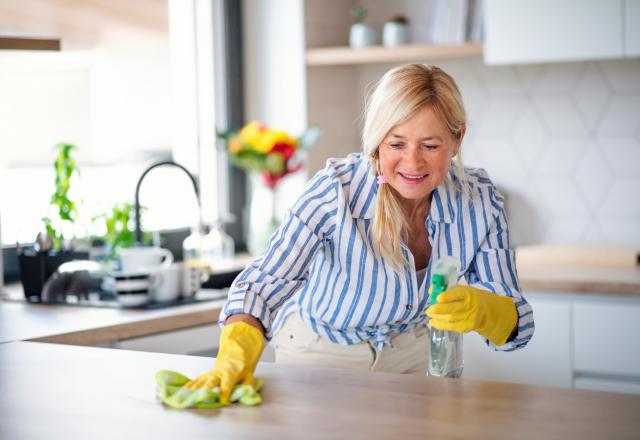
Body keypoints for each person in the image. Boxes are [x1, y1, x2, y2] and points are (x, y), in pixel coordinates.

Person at [182, 64, 535, 404]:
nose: (412, 163)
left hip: (411, 357)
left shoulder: (480, 201)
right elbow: (262, 285)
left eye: (430, 145)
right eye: (396, 144)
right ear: (376, 140)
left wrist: (486, 310)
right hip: (319, 356)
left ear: (457, 140)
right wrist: (234, 352)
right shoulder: (335, 191)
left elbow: (517, 325)